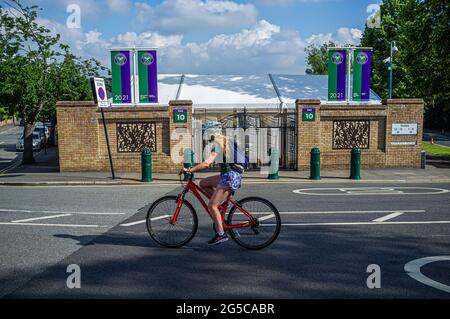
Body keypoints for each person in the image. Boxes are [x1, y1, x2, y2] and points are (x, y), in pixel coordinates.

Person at [181, 133, 243, 245]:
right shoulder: (226, 142)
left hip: (229, 178)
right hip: (230, 176)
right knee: (203, 183)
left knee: (212, 206)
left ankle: (221, 235)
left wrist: (191, 170)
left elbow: (206, 163)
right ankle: (220, 203)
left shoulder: (218, 145)